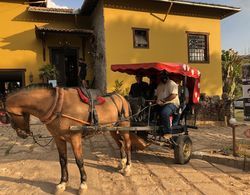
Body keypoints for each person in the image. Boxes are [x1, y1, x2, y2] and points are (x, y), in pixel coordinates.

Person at [155, 71, 180, 138]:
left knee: (164, 113)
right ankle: (156, 128)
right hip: (161, 104)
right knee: (150, 111)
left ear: (166, 76)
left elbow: (174, 95)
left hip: (172, 103)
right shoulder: (160, 85)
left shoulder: (172, 83)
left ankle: (168, 132)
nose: (162, 78)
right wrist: (155, 100)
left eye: (163, 76)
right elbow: (157, 95)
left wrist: (164, 100)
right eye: (161, 77)